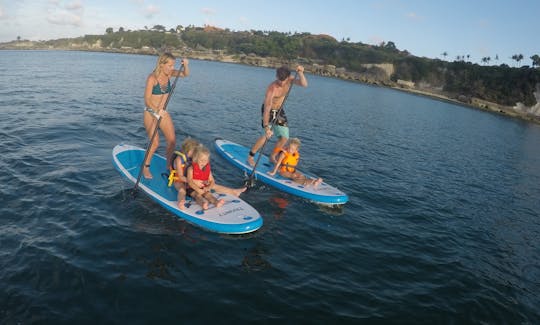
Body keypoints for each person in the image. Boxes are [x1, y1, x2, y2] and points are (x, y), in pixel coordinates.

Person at [247, 65, 308, 166]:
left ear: (288, 77)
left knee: (284, 137)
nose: (281, 83)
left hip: (279, 110)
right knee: (265, 136)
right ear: (276, 76)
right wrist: (266, 127)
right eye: (279, 80)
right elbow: (267, 108)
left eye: (283, 80)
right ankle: (250, 156)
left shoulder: (290, 80)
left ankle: (272, 157)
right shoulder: (272, 89)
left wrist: (301, 72)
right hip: (269, 110)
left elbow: (304, 84)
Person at [143, 52, 190, 179]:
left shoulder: (170, 74)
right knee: (155, 143)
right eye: (169, 65)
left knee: (172, 141)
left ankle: (169, 165)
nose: (171, 68)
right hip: (151, 112)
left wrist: (185, 65)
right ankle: (145, 167)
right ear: (161, 64)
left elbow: (185, 74)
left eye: (173, 65)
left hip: (163, 112)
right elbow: (147, 100)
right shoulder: (152, 78)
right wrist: (157, 110)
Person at [187, 145, 246, 210]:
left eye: (205, 160)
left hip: (204, 187)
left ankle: (216, 202)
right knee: (197, 195)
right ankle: (203, 204)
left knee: (209, 195)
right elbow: (190, 182)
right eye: (201, 160)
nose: (203, 162)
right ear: (196, 159)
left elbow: (212, 180)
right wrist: (198, 190)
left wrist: (208, 187)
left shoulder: (207, 168)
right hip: (193, 189)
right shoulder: (191, 169)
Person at [168, 137, 199, 210]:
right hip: (179, 180)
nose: (195, 153)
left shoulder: (193, 158)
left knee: (198, 189)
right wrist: (193, 181)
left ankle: (203, 200)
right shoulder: (179, 159)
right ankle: (181, 201)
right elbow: (181, 177)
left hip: (189, 179)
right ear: (187, 150)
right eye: (193, 151)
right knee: (182, 190)